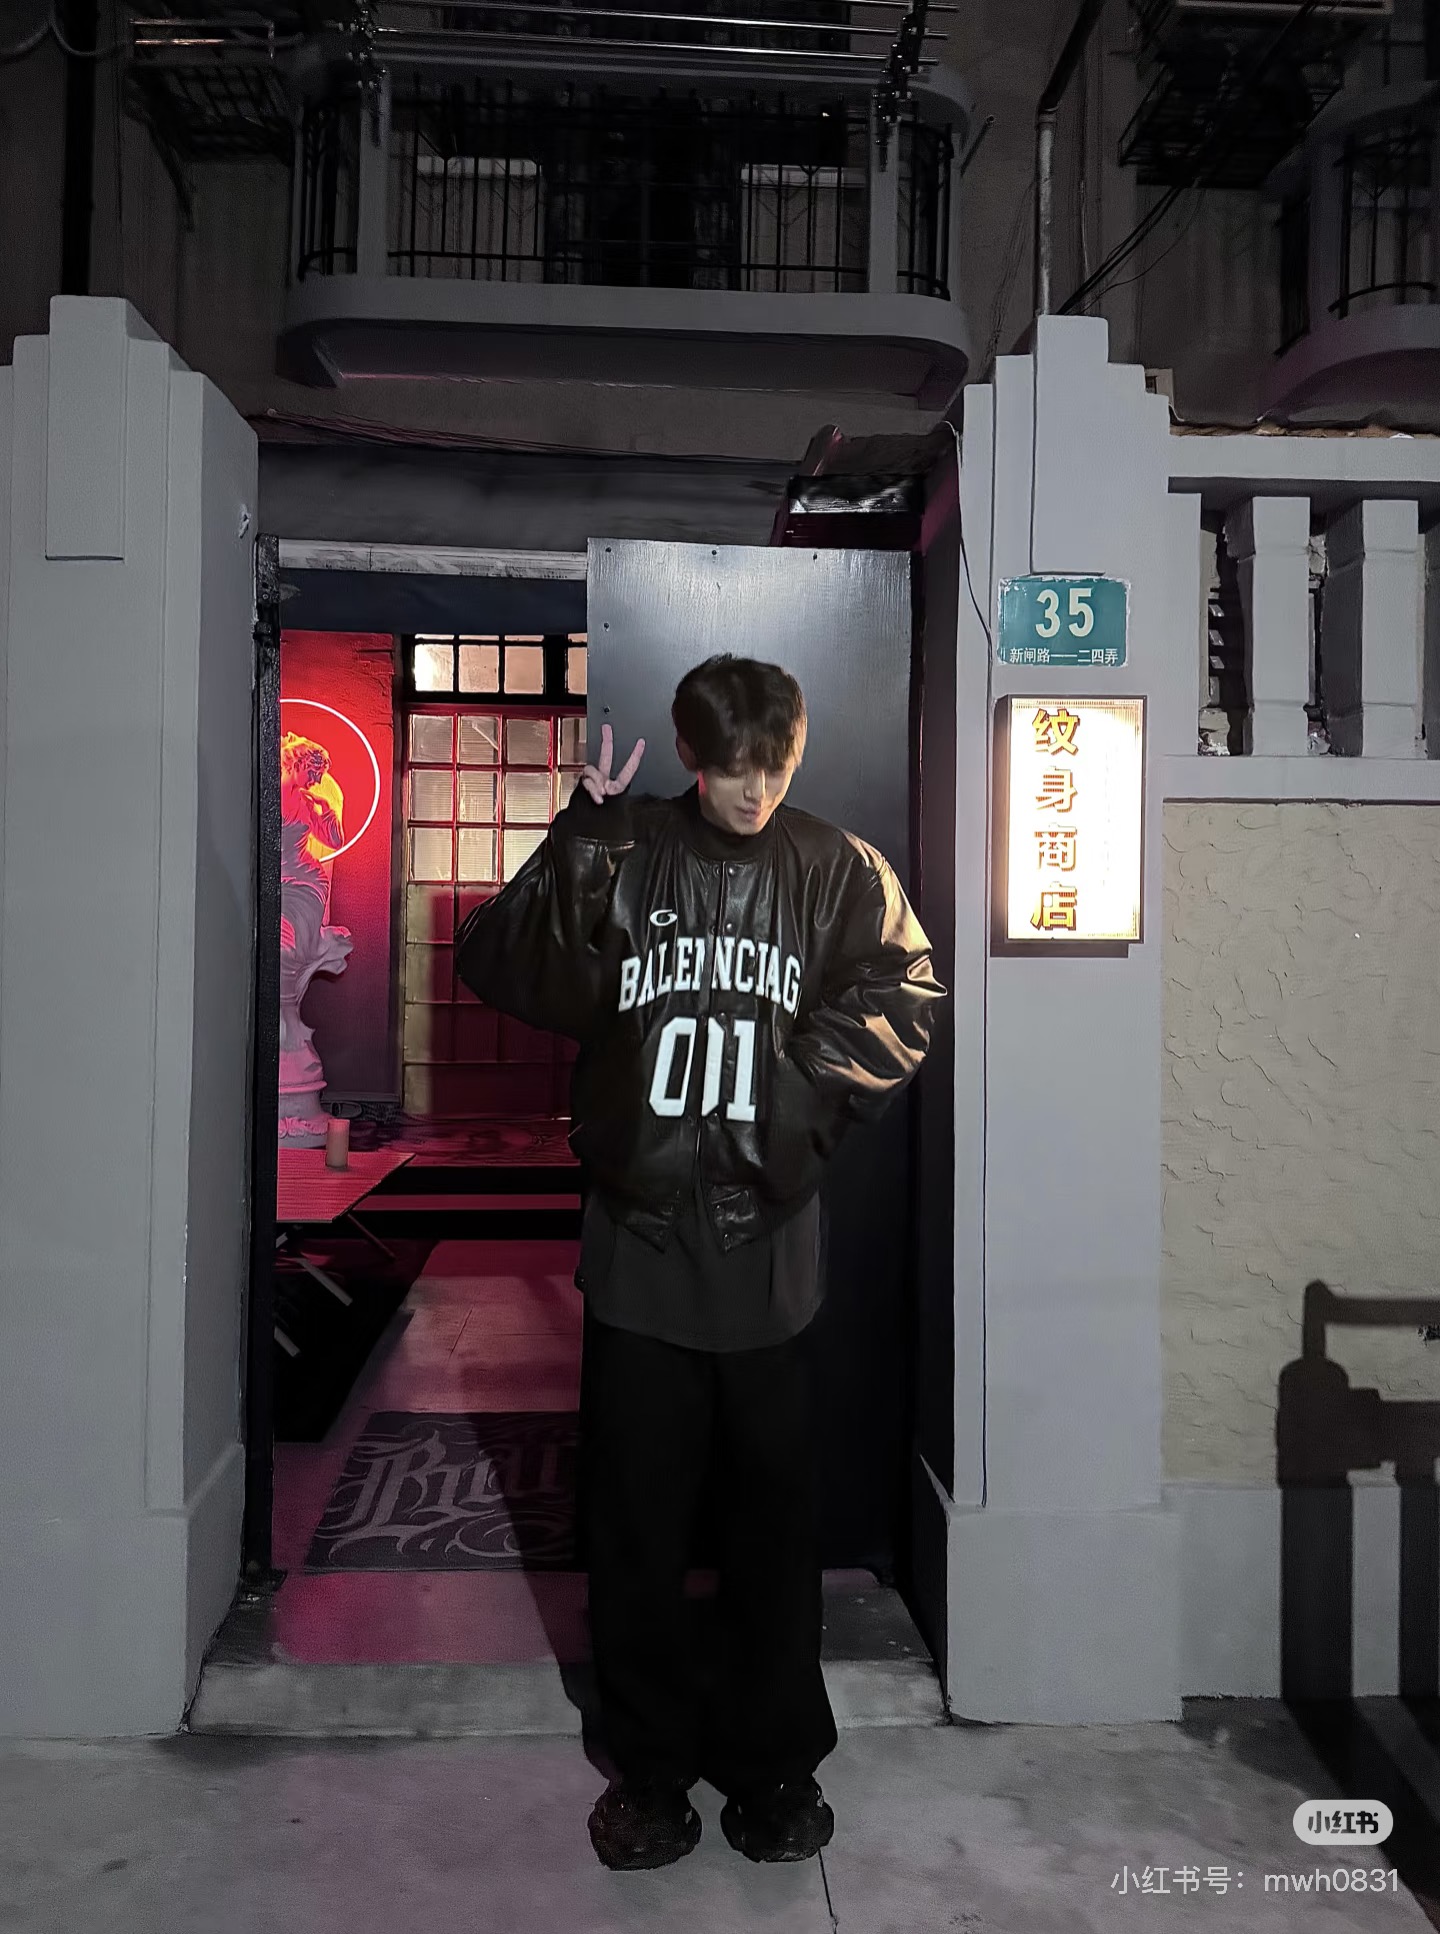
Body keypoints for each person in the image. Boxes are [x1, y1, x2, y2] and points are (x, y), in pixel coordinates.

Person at [454, 653, 947, 1870]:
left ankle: (775, 1763)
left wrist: (790, 1103)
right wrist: (579, 839)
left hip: (769, 1259)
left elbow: (907, 989)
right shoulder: (623, 848)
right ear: (689, 754)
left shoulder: (837, 867)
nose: (754, 791)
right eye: (732, 768)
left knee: (772, 1532)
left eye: (774, 766)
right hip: (637, 1247)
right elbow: (504, 965)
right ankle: (650, 1770)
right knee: (637, 1530)